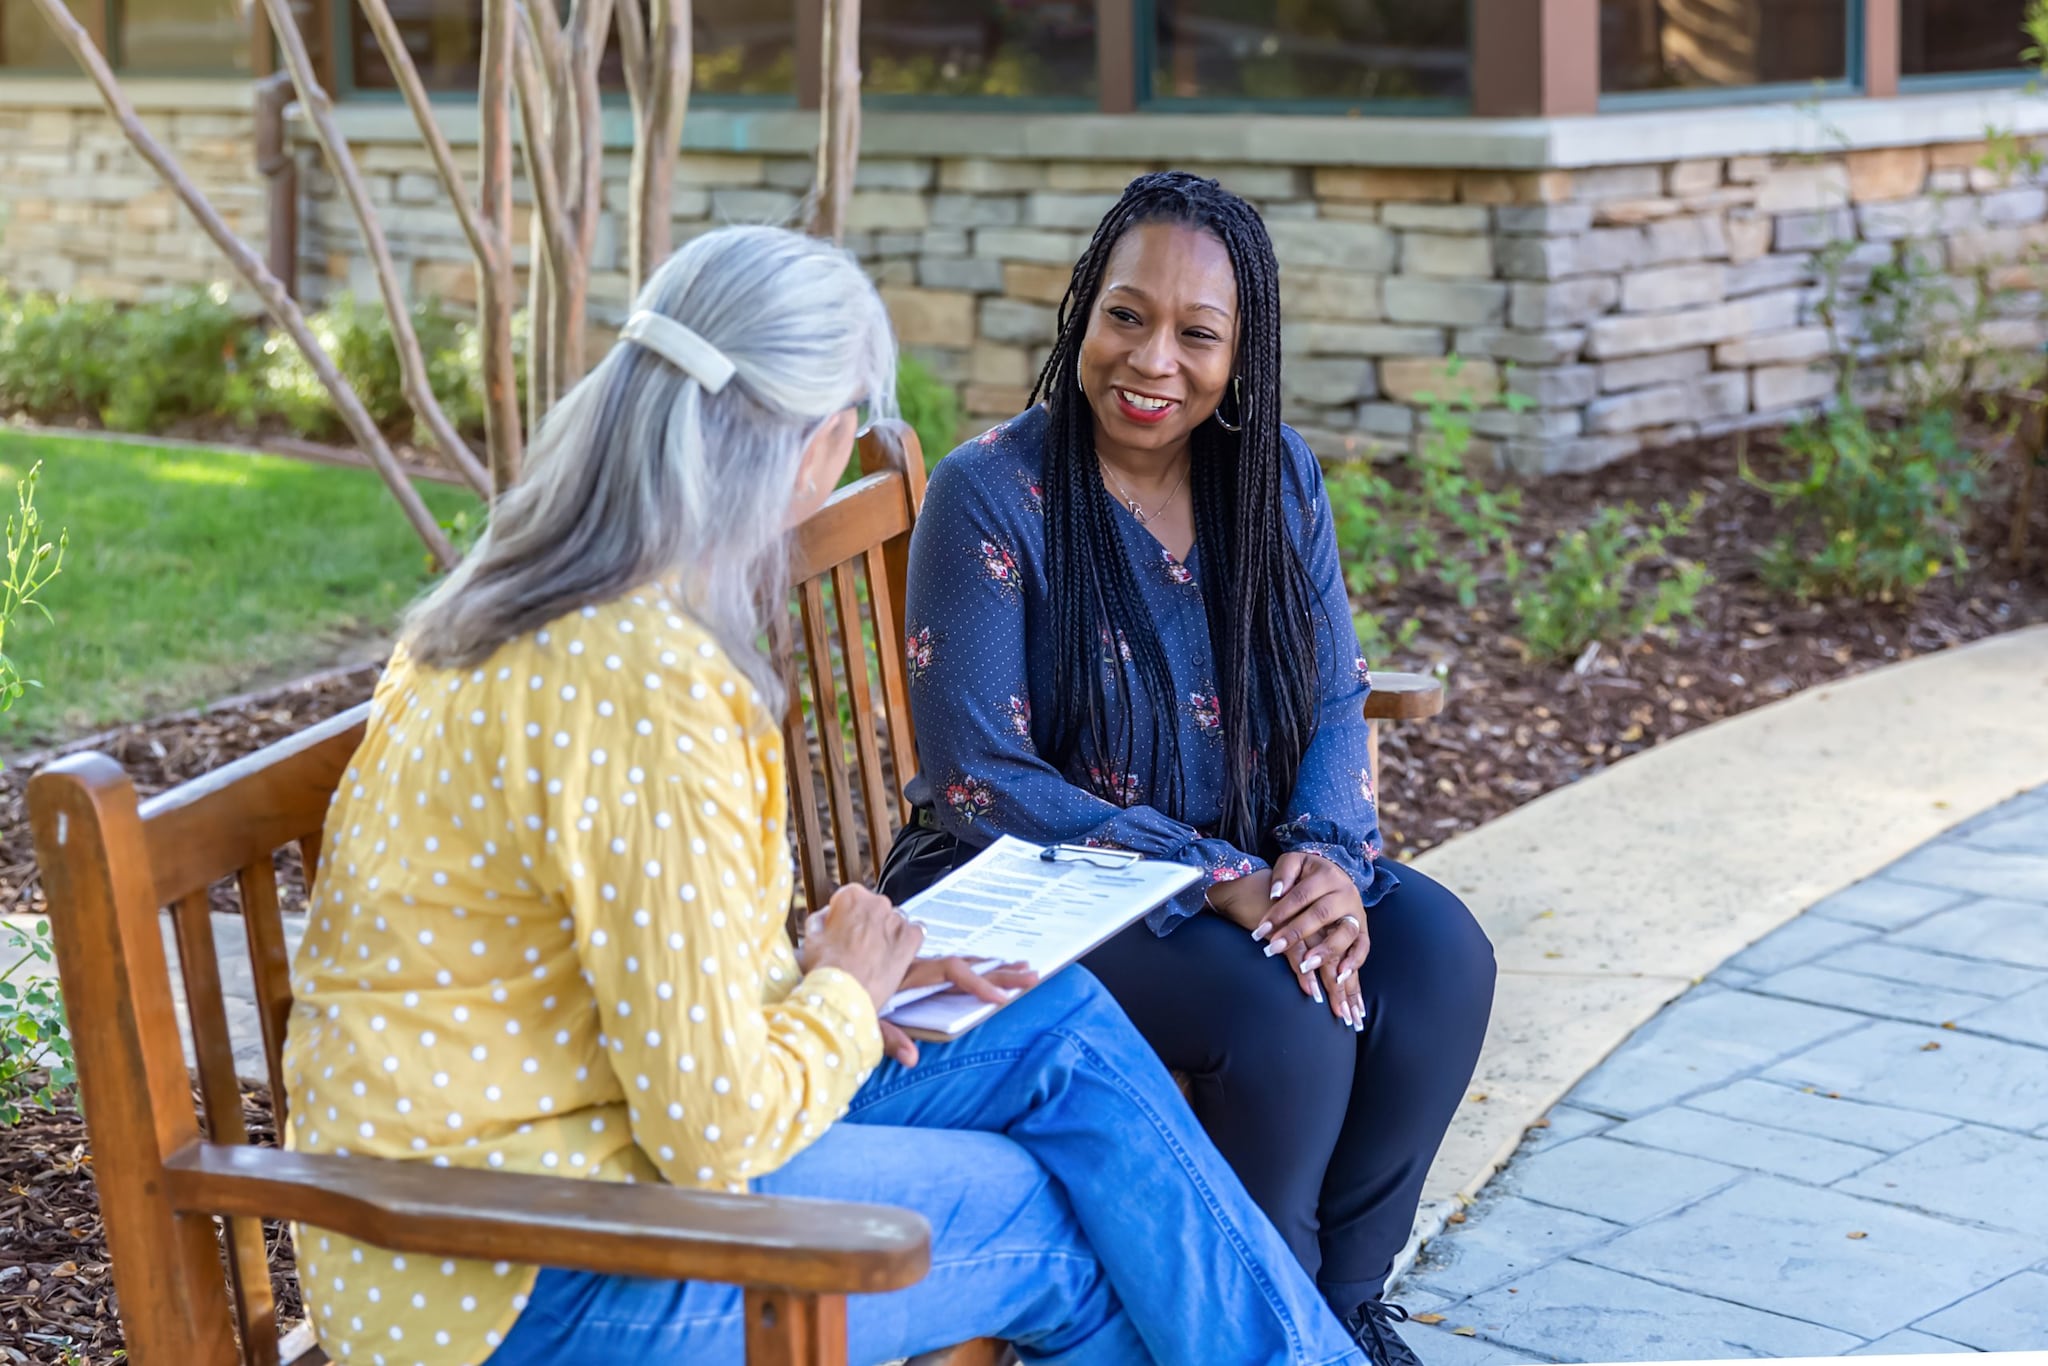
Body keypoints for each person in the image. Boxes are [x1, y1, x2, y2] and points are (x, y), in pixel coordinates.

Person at [279, 224, 1370, 1366]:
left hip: (568, 1155)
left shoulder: (541, 602)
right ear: (823, 444)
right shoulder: (640, 681)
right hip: (520, 1267)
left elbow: (619, 971)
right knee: (1050, 1219)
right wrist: (846, 996)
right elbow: (713, 1127)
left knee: (1057, 1028)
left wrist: (832, 975)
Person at [879, 172, 1498, 1366]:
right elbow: (978, 777)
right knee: (1287, 1025)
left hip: (1246, 855)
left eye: (1195, 333)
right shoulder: (993, 492)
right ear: (1082, 313)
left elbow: (1331, 691)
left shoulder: (1272, 479)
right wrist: (1214, 875)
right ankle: (1246, 1328)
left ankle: (1335, 1311)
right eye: (1125, 316)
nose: (1150, 359)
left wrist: (1319, 857)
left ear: (1240, 349)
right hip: (1027, 876)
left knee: (1438, 961)